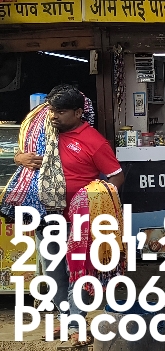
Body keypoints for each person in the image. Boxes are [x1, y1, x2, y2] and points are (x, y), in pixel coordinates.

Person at [10, 85, 123, 347]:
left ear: (78, 112)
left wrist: (97, 199)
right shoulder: (42, 133)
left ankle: (76, 324)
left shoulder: (94, 141)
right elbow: (19, 155)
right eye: (51, 110)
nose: (53, 116)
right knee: (54, 272)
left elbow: (117, 176)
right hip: (45, 214)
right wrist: (20, 158)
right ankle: (66, 319)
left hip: (79, 219)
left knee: (78, 272)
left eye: (60, 112)